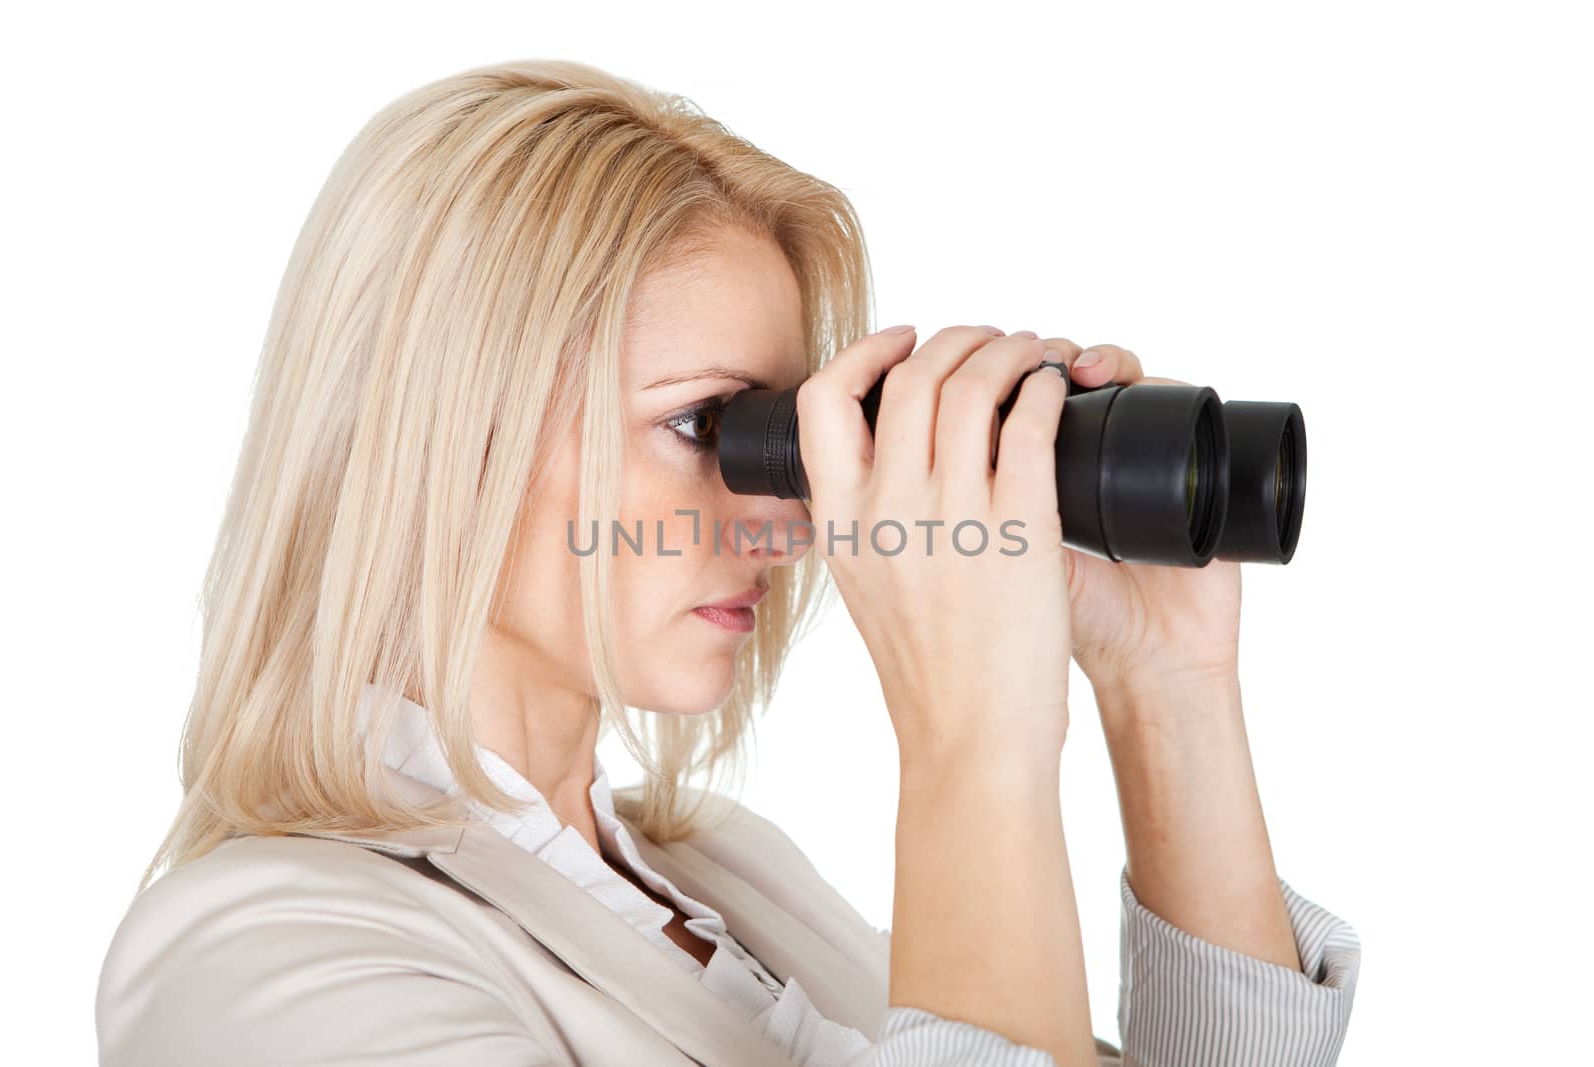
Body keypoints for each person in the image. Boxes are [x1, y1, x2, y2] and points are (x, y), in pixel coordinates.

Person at [95, 58, 1360, 1067]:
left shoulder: (731, 873)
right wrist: (973, 736)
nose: (788, 517)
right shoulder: (263, 955)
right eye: (710, 425)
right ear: (448, 430)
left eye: (787, 443)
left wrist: (1165, 688)